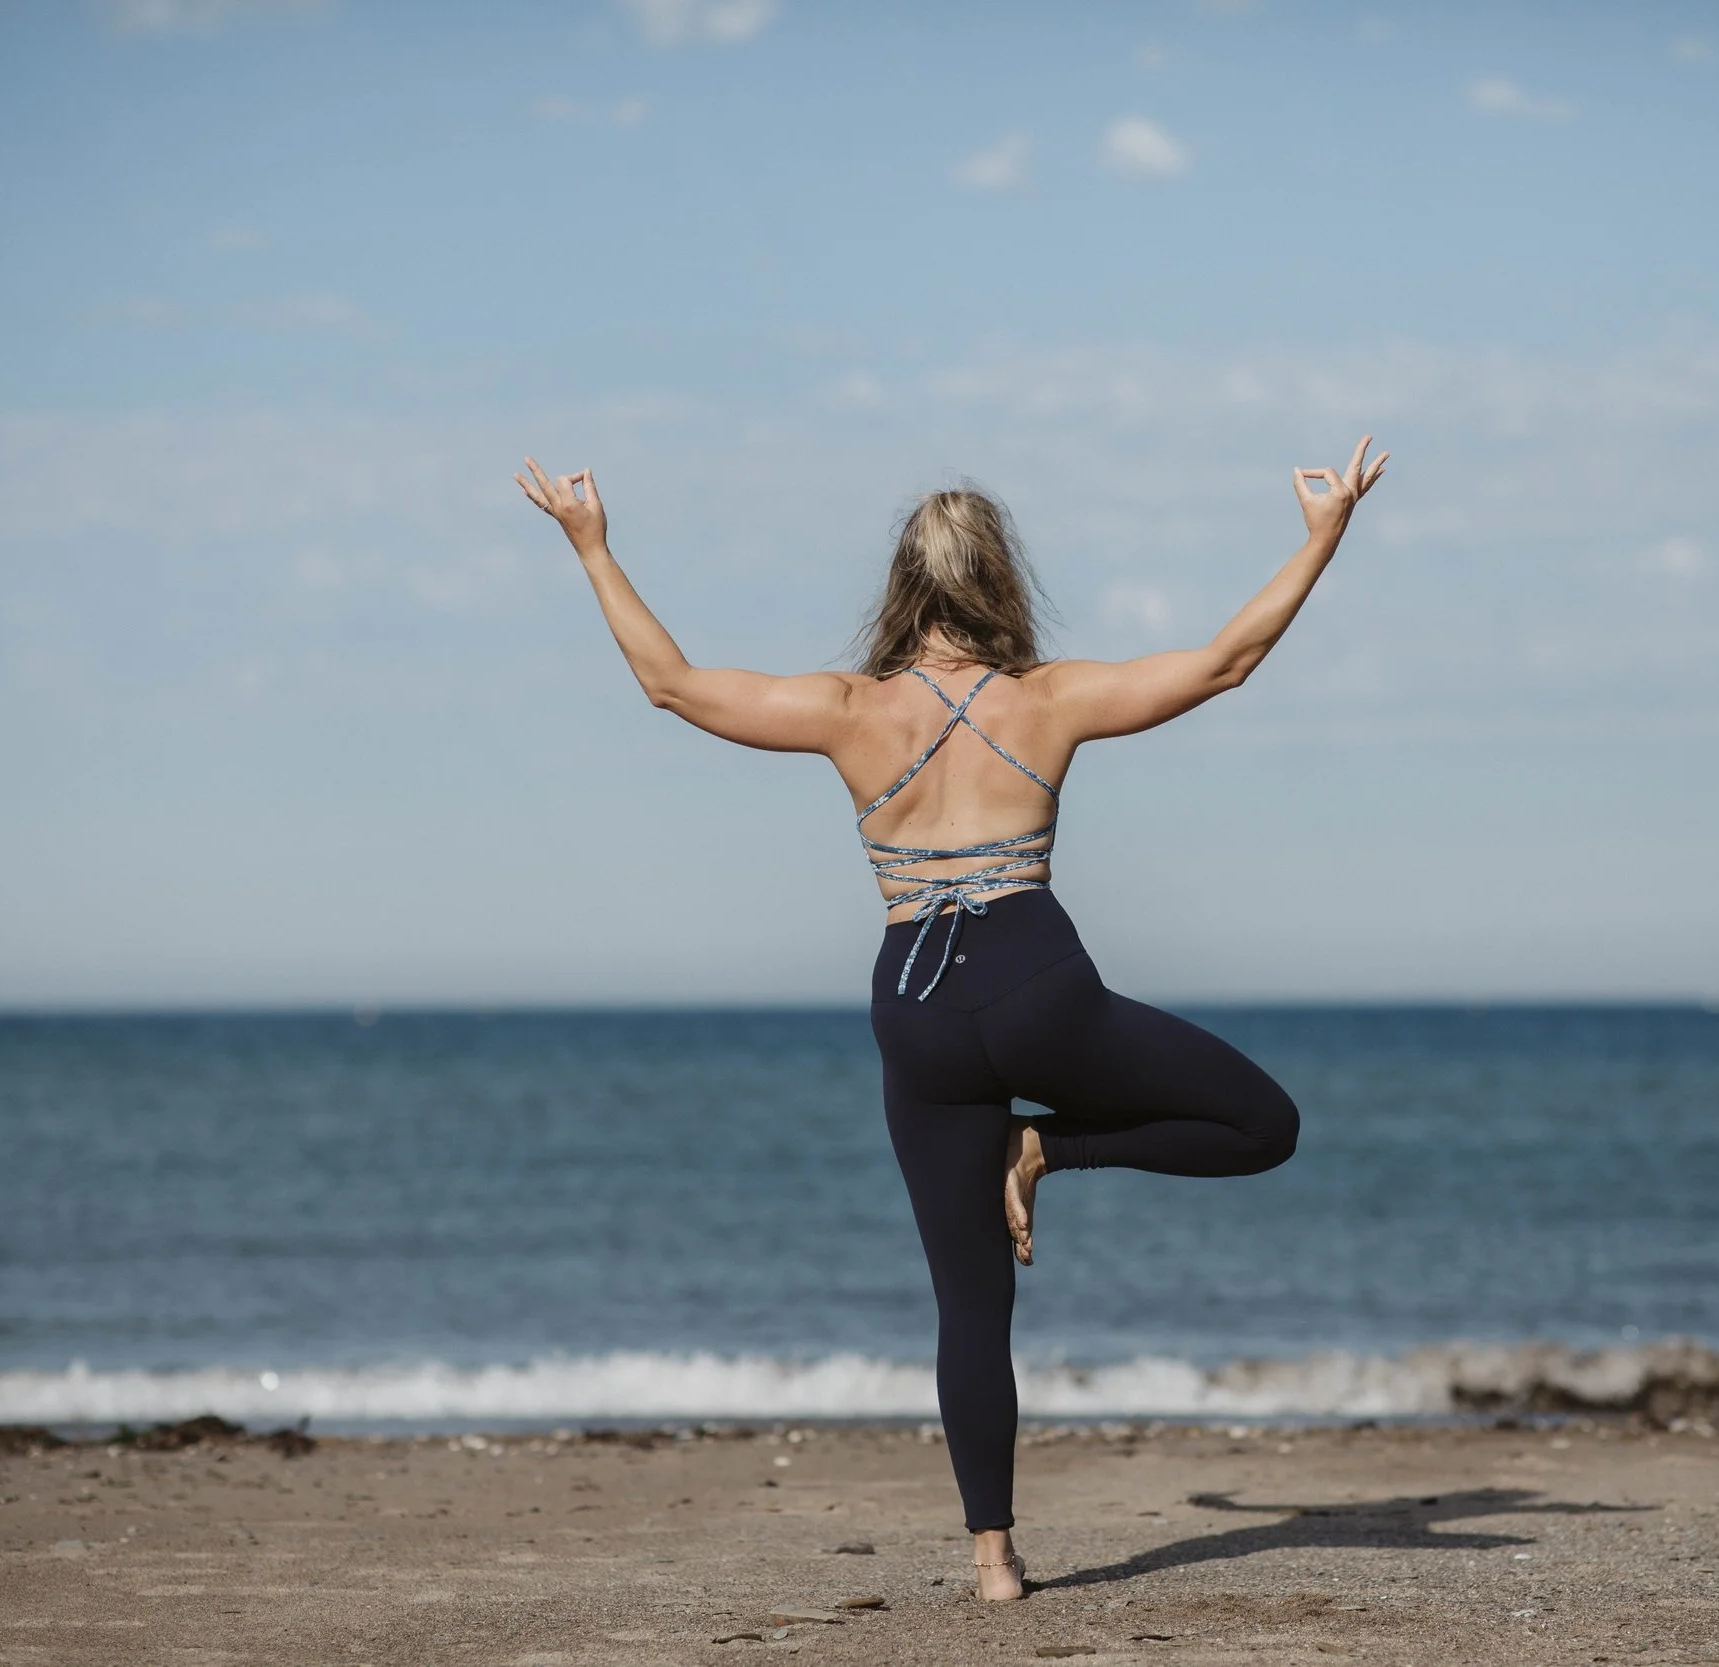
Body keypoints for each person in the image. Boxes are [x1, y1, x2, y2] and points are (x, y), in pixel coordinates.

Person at [516, 438, 1389, 1600]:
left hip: (915, 1011)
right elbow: (1227, 661)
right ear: (999, 579)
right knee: (1261, 1121)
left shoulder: (844, 710)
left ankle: (993, 1557)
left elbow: (670, 684)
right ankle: (1049, 1147)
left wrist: (593, 546)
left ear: (902, 586)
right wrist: (1320, 538)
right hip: (1037, 984)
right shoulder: (1049, 698)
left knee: (971, 1301)